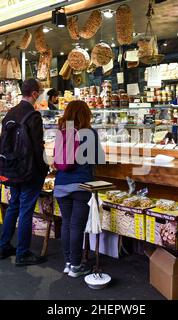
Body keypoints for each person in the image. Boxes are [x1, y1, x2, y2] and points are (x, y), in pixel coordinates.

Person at [0, 79, 49, 266]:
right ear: (34, 94)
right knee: (26, 210)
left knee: (13, 206)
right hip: (29, 171)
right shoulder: (33, 116)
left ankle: (4, 246)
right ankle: (23, 253)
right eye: (40, 92)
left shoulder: (10, 113)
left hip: (11, 168)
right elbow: (37, 148)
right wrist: (44, 168)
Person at [53, 100, 105, 278]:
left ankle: (69, 263)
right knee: (76, 226)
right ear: (86, 114)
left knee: (66, 224)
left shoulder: (62, 132)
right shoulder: (88, 133)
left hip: (61, 185)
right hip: (81, 185)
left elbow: (57, 160)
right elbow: (98, 159)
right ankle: (76, 265)